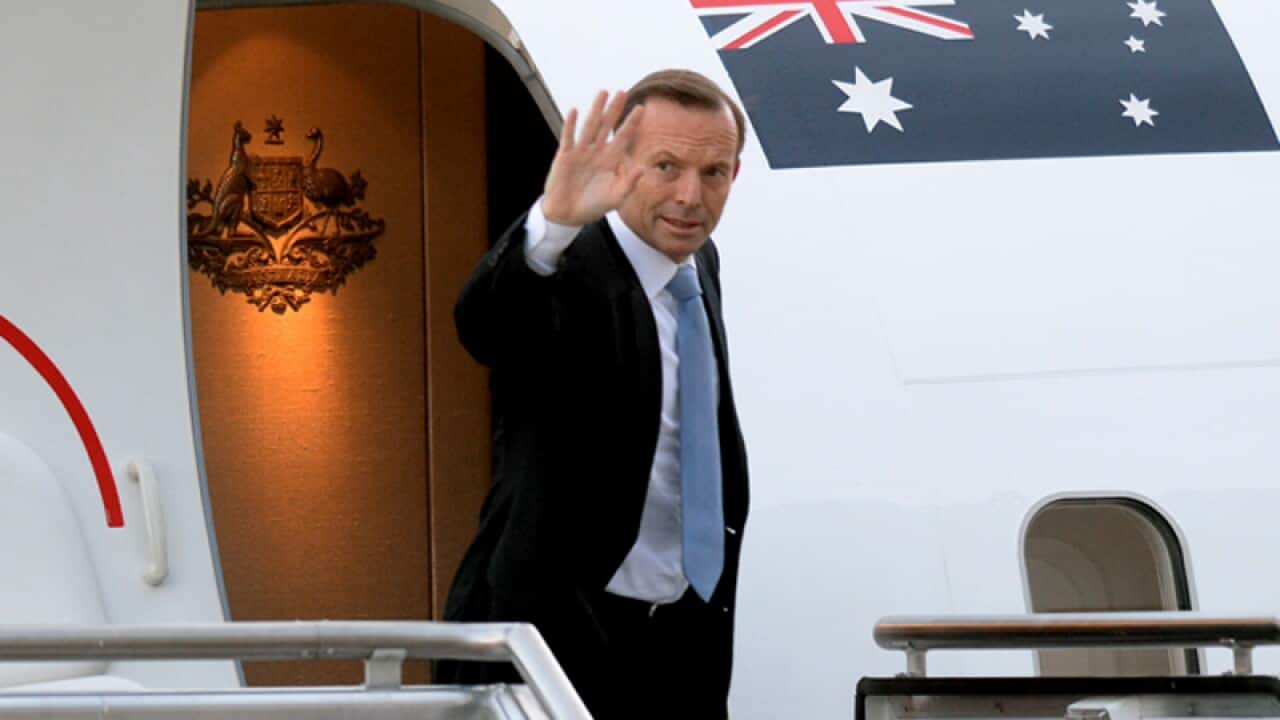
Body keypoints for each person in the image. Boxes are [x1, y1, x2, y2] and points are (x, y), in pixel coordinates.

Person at [436, 69, 750, 719]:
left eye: (713, 173)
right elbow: (484, 325)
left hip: (681, 637)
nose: (690, 196)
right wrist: (550, 226)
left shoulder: (701, 263)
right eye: (666, 166)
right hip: (557, 637)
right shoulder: (570, 262)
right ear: (621, 161)